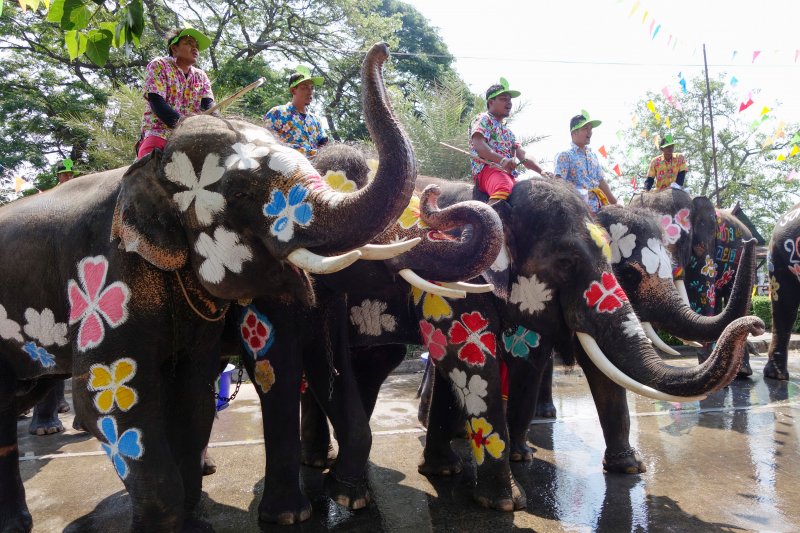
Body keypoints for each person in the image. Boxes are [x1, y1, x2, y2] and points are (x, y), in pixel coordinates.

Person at [469, 77, 550, 205]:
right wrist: (502, 160)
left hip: (508, 175)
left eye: (510, 100)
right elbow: (479, 145)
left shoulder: (509, 133)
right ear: (491, 102)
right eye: (503, 99)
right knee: (503, 186)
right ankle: (483, 223)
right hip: (487, 170)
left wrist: (542, 171)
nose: (509, 103)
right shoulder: (483, 119)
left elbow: (523, 155)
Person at [137, 27, 215, 159]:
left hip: (193, 136)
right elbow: (157, 102)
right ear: (174, 48)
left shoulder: (201, 76)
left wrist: (219, 125)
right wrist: (184, 125)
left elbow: (209, 105)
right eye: (189, 43)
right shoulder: (159, 65)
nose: (195, 48)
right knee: (145, 165)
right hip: (160, 132)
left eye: (196, 46)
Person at [554, 110, 618, 213]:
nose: (590, 132)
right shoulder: (565, 155)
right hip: (578, 212)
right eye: (585, 128)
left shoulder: (593, 155)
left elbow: (601, 181)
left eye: (591, 129)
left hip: (600, 210)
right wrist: (580, 194)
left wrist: (615, 203)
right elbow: (559, 183)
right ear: (574, 132)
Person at [263, 66, 328, 158]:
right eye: (304, 88)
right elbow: (265, 143)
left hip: (314, 168)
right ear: (293, 90)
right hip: (287, 166)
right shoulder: (277, 113)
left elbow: (324, 145)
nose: (310, 92)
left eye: (312, 88)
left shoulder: (316, 120)